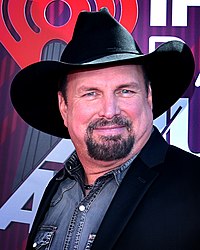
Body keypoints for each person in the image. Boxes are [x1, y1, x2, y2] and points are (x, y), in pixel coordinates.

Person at [10, 7, 200, 250]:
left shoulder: (194, 185)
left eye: (125, 91)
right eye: (91, 93)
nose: (110, 111)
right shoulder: (57, 188)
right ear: (64, 107)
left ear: (148, 97)